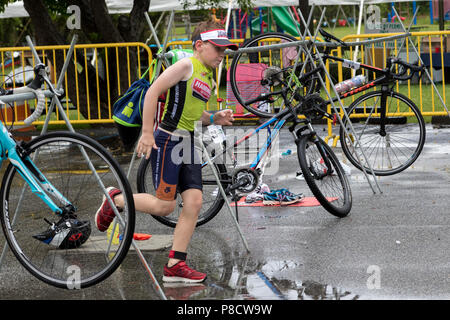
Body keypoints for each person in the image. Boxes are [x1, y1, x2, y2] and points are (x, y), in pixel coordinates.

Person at [95, 20, 238, 283]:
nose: (222, 55)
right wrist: (148, 133)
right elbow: (152, 93)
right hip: (169, 140)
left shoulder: (207, 75)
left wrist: (215, 117)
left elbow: (195, 116)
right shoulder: (185, 66)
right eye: (217, 49)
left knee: (193, 203)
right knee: (165, 206)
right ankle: (115, 199)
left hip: (190, 142)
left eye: (224, 50)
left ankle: (175, 265)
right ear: (199, 45)